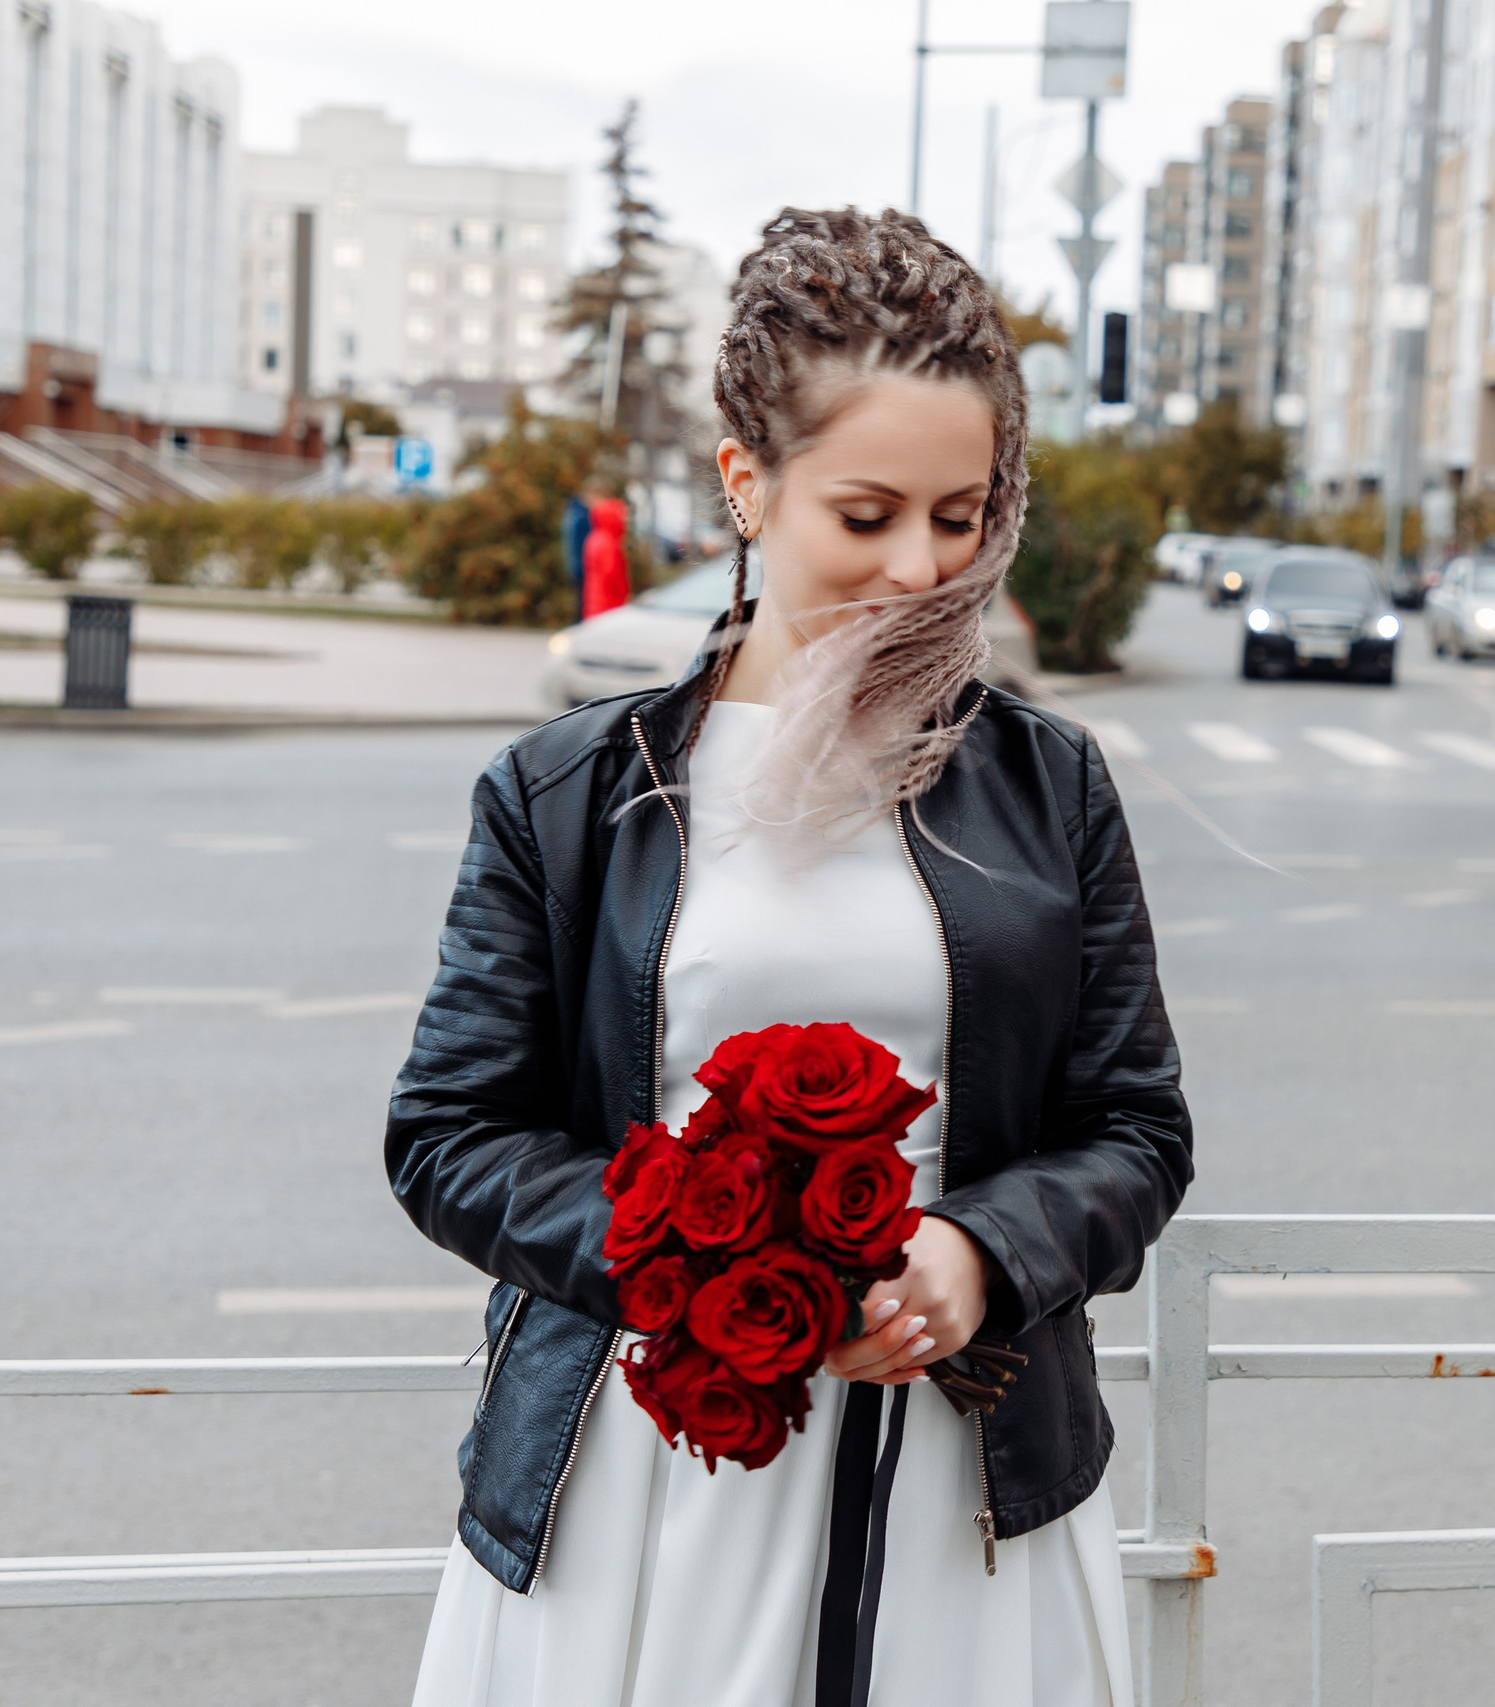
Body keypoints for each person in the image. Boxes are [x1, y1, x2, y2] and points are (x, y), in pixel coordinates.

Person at [388, 207, 1191, 1707]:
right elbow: (450, 1137)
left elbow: (1136, 1130)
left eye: (963, 517)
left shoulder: (1051, 783)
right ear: (748, 485)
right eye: (869, 513)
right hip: (642, 1473)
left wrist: (982, 1250)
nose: (921, 571)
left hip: (973, 1474)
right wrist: (712, 1269)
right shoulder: (569, 792)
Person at [582, 481, 632, 618]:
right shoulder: (609, 542)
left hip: (595, 600)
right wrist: (624, 591)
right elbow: (612, 575)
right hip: (608, 603)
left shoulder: (595, 537)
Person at [560, 494, 592, 615]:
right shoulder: (581, 517)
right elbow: (578, 545)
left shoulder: (572, 514)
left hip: (576, 566)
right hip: (581, 567)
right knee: (581, 606)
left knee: (579, 604)